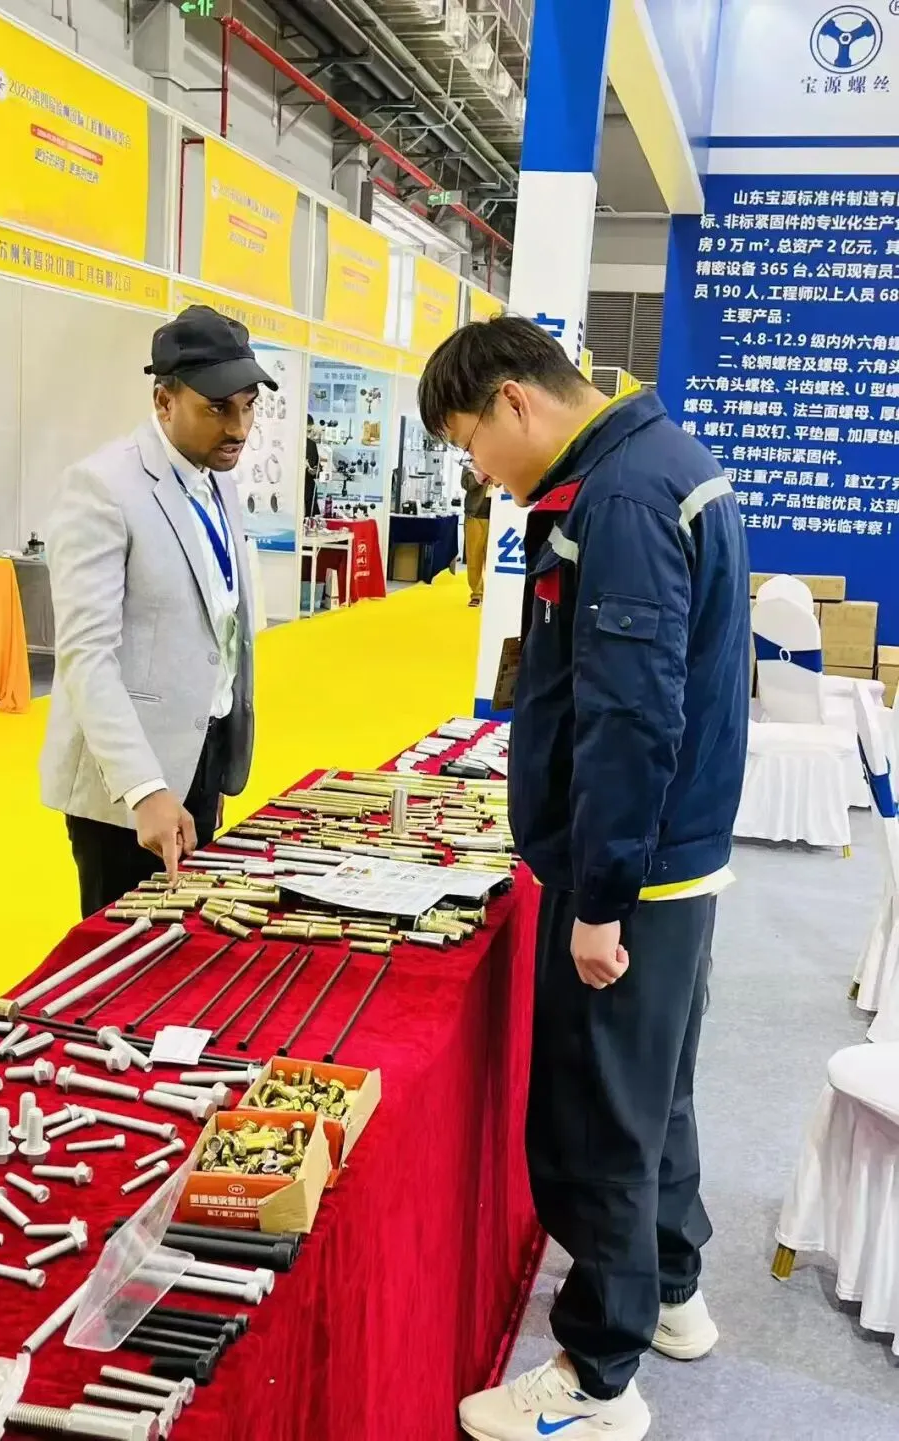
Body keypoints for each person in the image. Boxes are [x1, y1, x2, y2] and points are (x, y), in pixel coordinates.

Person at [418, 315, 749, 1441]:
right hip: (674, 855)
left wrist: (599, 897)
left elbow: (631, 716)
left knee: (598, 1118)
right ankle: (672, 1290)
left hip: (634, 873)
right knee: (656, 1092)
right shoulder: (660, 460)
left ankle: (597, 1379)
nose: (479, 472)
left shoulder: (622, 499)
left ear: (515, 402)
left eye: (470, 443)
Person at [40, 305, 275, 919]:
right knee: (123, 952)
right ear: (164, 401)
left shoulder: (218, 479)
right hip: (126, 780)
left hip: (204, 755)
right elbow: (86, 657)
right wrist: (145, 789)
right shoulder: (102, 488)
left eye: (248, 406)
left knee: (186, 939)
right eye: (218, 408)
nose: (239, 428)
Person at [461, 464, 491, 606]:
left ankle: (494, 592)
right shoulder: (472, 459)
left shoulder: (506, 457)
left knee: (494, 559)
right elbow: (466, 483)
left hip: (501, 516)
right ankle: (477, 593)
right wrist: (481, 475)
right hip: (475, 514)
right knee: (474, 557)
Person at [304, 415, 320, 520]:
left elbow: (317, 468)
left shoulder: (311, 445)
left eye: (309, 431)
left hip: (308, 491)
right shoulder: (289, 444)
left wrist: (314, 471)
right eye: (307, 431)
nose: (308, 435)